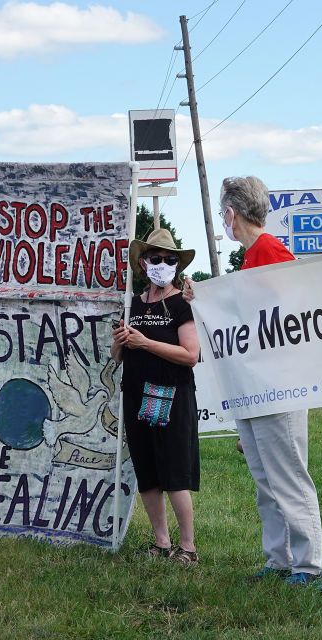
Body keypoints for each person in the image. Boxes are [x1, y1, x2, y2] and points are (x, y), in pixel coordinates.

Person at [188, 175, 322, 588]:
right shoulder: (254, 256)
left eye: (223, 217)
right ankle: (280, 558)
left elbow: (284, 313)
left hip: (277, 384)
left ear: (231, 214)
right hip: (258, 386)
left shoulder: (268, 252)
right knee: (267, 479)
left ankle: (307, 564)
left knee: (286, 476)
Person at [113, 228, 201, 564]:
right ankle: (161, 542)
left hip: (172, 395)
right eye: (156, 258)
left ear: (177, 266)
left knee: (174, 472)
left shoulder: (183, 304)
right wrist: (121, 341)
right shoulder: (131, 304)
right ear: (142, 263)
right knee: (147, 472)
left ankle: (188, 547)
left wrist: (145, 343)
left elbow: (191, 354)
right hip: (136, 394)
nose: (162, 264)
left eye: (169, 259)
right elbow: (117, 356)